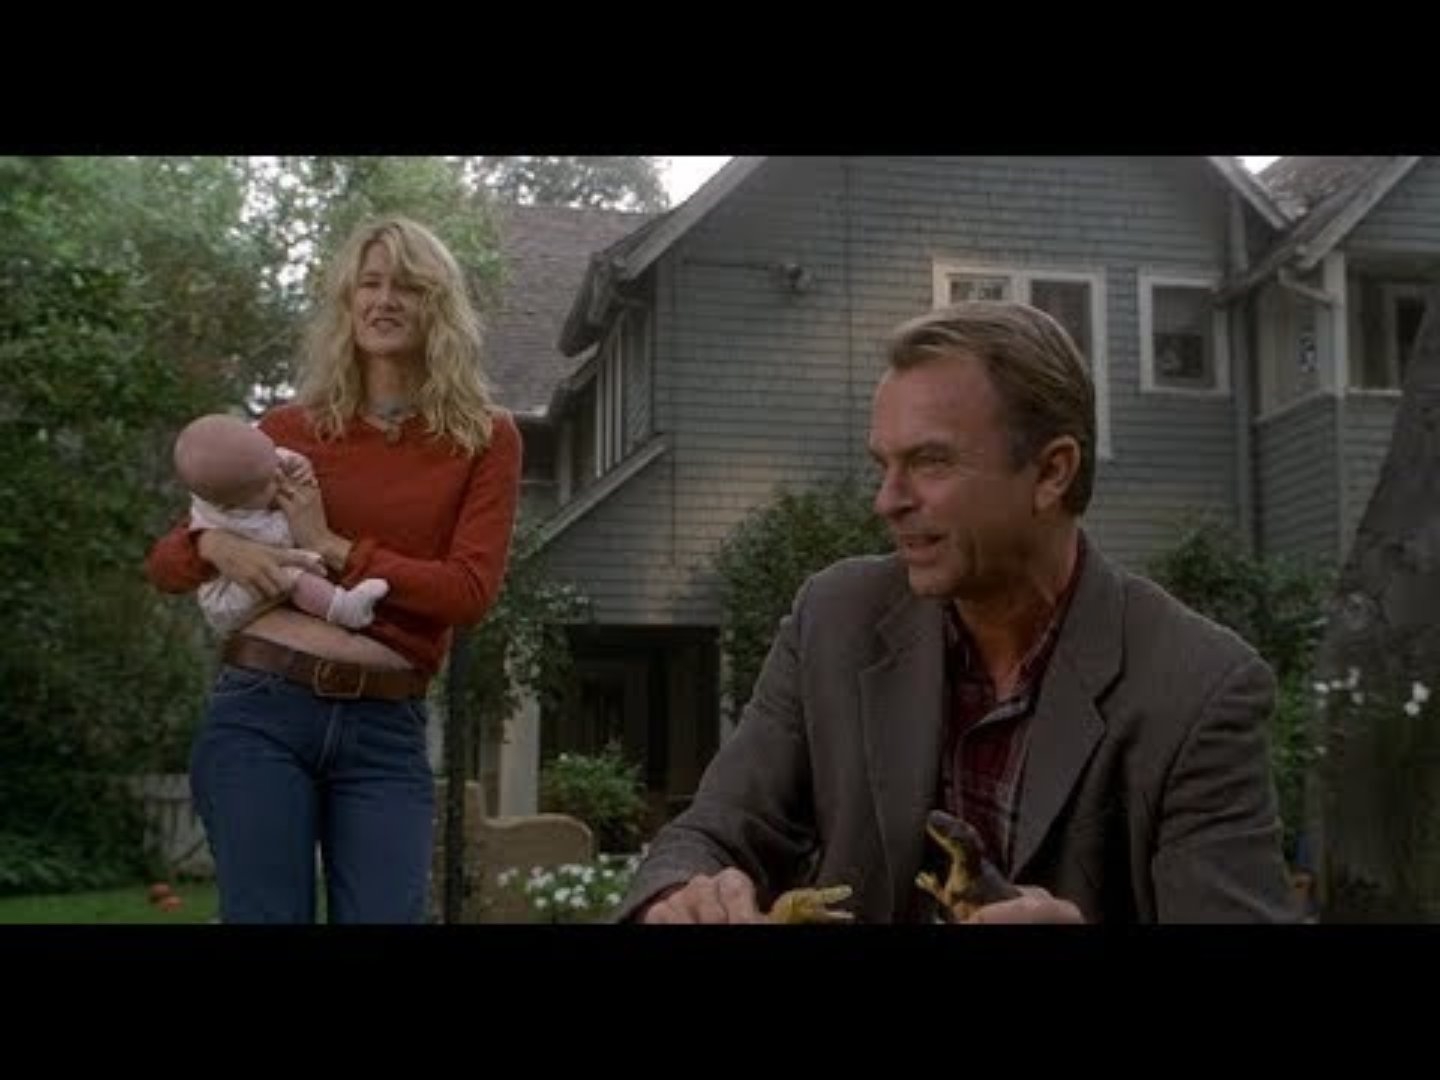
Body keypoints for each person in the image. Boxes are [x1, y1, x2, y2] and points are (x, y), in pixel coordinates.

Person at [618, 300, 1300, 925]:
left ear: (1052, 472)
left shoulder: (1198, 687)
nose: (887, 501)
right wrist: (680, 897)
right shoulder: (835, 619)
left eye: (929, 462)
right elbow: (712, 831)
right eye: (883, 465)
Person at [146, 216, 521, 924]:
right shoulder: (288, 430)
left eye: (407, 286)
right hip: (261, 710)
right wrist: (215, 547)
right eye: (369, 284)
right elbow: (165, 565)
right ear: (348, 303)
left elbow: (467, 594)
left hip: (385, 726)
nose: (384, 300)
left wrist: (331, 544)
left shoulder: (485, 436)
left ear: (438, 305)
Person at [172, 413, 390, 635]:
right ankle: (344, 609)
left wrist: (299, 465)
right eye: (264, 486)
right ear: (230, 505)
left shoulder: (252, 465)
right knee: (290, 576)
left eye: (275, 461)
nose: (278, 476)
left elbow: (277, 459)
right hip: (230, 594)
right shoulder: (230, 517)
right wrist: (304, 522)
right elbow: (280, 540)